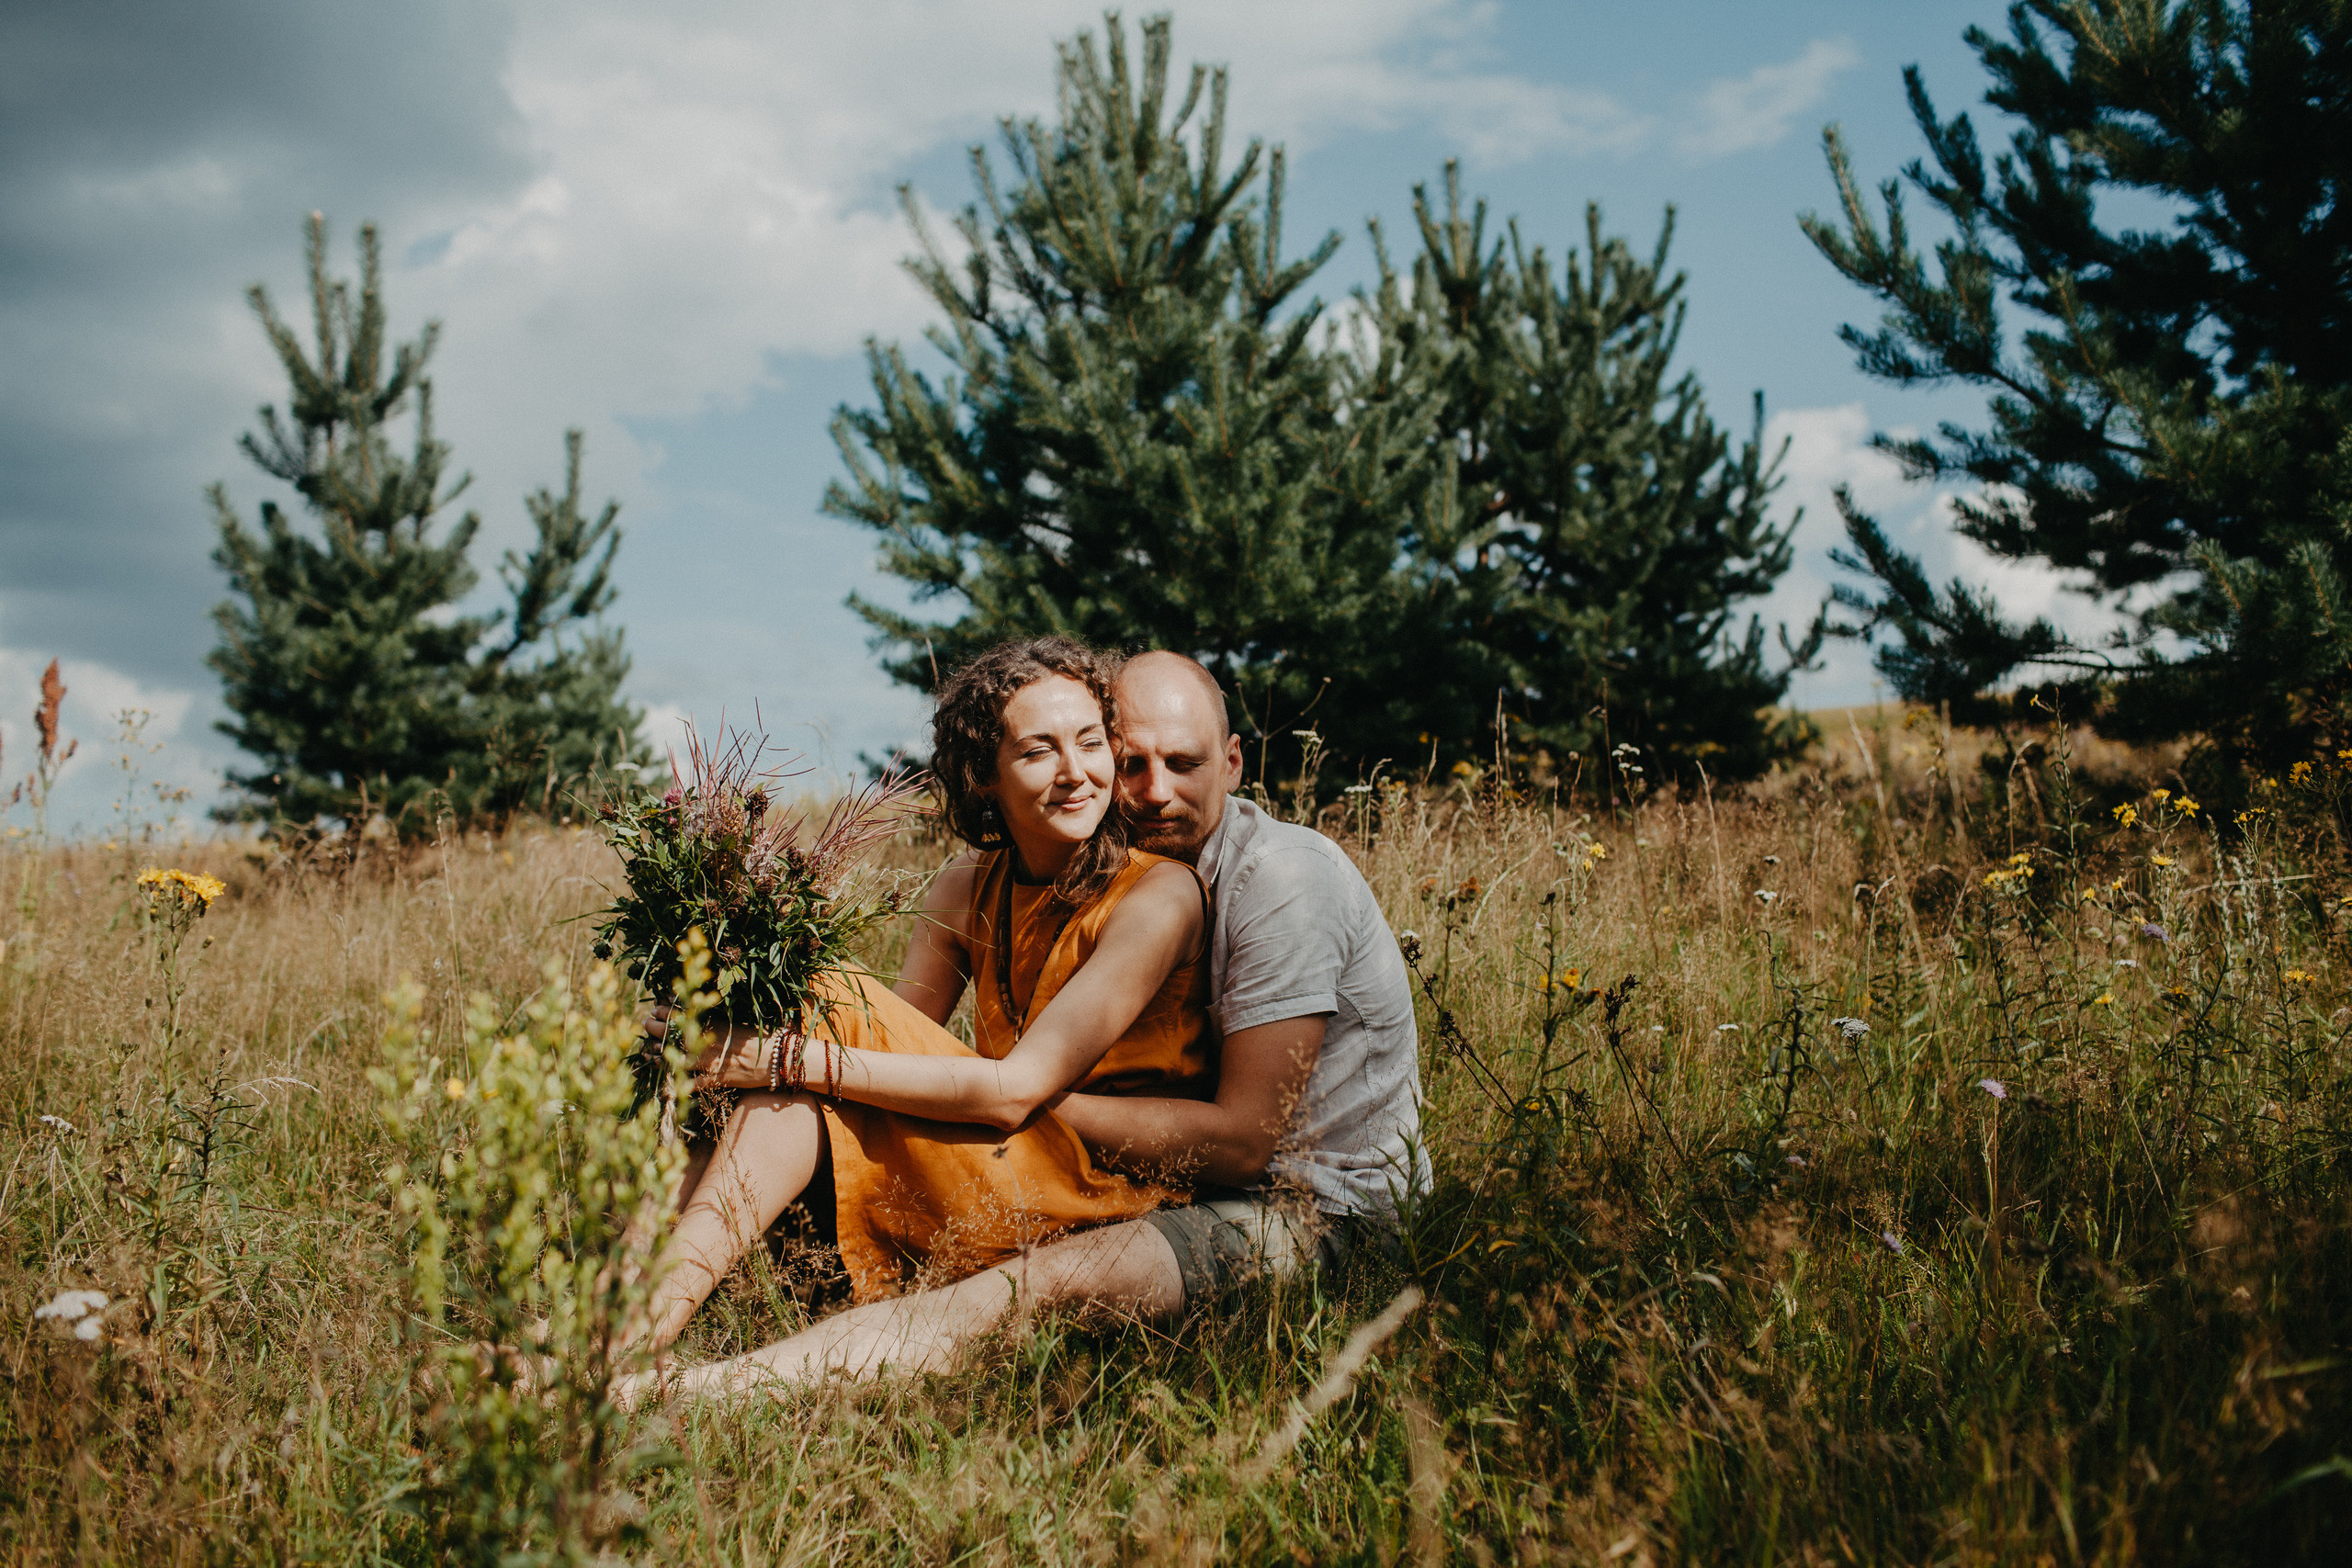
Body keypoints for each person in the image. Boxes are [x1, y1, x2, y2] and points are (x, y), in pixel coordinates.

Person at [638, 649, 1424, 1403]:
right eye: (1132, 759)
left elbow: (1244, 1141)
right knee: (792, 1085)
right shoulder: (1029, 875)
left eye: (1180, 763)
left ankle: (684, 1393)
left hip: (1316, 1209)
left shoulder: (1272, 879)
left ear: (1234, 763)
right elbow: (903, 1044)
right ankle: (616, 1332)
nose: (1147, 791)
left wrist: (991, 1092)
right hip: (1103, 1155)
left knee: (1036, 1280)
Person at [613, 637, 1212, 1399]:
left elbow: (1013, 1089)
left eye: (1092, 742)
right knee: (790, 1104)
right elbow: (889, 1045)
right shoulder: (968, 882)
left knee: (819, 1001)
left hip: (1099, 1185)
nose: (1077, 772)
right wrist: (773, 1060)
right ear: (984, 779)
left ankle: (616, 1337)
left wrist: (787, 1052)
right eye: (1039, 751)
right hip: (1009, 1153)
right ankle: (624, 1325)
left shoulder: (1159, 897)